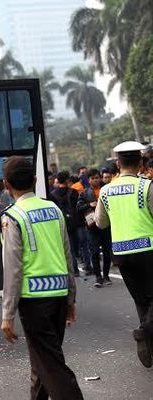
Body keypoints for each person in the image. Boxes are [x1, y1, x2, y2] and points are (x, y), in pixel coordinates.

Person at [0, 157, 82, 400]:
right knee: (42, 363)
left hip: (33, 301)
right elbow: (68, 256)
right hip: (58, 296)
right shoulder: (54, 209)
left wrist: (7, 314)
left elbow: (13, 270)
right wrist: (70, 298)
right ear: (36, 180)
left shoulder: (12, 217)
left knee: (51, 365)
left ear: (6, 185)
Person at [95, 141, 153, 368]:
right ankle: (143, 332)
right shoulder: (146, 186)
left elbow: (100, 223)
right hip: (148, 249)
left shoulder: (106, 190)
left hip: (120, 252)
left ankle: (148, 343)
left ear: (118, 164)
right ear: (140, 163)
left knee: (141, 299)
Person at [51, 171, 91, 276]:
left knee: (70, 248)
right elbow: (79, 207)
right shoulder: (73, 192)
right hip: (78, 222)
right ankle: (88, 266)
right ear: (67, 180)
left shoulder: (52, 195)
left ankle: (74, 270)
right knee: (84, 245)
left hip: (64, 224)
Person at [77, 169, 112, 287]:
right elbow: (78, 207)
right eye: (92, 178)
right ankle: (98, 277)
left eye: (97, 177)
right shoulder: (84, 193)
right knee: (94, 252)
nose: (95, 180)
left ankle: (106, 276)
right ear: (88, 180)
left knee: (107, 252)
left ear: (100, 178)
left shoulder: (106, 190)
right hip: (91, 227)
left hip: (106, 225)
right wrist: (89, 205)